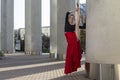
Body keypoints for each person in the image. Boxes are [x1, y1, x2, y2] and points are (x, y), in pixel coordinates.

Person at [64, 3, 82, 74]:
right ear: (68, 18)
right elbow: (67, 12)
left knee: (73, 51)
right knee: (71, 50)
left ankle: (71, 67)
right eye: (70, 17)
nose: (71, 19)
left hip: (72, 36)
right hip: (68, 36)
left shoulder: (73, 25)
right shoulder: (66, 22)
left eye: (72, 18)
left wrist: (78, 11)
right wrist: (75, 10)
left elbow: (78, 21)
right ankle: (68, 68)